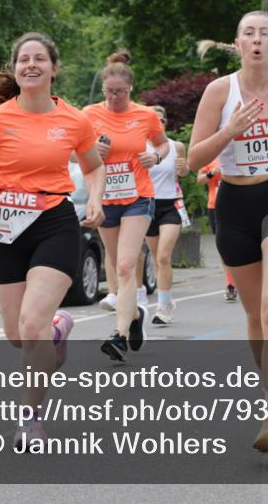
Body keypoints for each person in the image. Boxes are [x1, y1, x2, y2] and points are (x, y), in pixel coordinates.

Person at [0, 32, 105, 449]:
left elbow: (94, 168)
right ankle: (57, 331)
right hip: (6, 225)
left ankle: (29, 419)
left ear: (53, 69)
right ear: (16, 68)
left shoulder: (74, 120)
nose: (31, 65)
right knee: (17, 336)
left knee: (31, 323)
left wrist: (95, 199)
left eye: (39, 58)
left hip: (54, 221)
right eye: (24, 59)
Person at [189, 11, 268, 455]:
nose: (258, 40)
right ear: (238, 43)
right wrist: (231, 131)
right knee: (254, 316)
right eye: (250, 33)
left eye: (265, 33)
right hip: (235, 206)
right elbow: (193, 159)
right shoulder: (219, 91)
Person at [82, 51, 170, 363]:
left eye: (121, 92)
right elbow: (75, 155)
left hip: (138, 197)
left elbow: (163, 143)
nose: (115, 97)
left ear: (130, 88)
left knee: (125, 266)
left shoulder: (145, 115)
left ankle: (118, 336)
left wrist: (155, 157)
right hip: (106, 198)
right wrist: (94, 152)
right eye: (109, 92)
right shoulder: (89, 114)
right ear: (103, 89)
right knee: (117, 263)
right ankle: (134, 316)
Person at [145, 105, 189, 325]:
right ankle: (167, 299)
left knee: (163, 256)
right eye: (153, 120)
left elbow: (185, 171)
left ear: (165, 123)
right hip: (146, 206)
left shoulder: (175, 146)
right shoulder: (139, 147)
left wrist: (183, 168)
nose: (157, 124)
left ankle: (162, 308)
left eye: (161, 120)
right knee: (155, 259)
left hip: (169, 205)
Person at [197, 159, 237, 301]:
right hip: (215, 206)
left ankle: (239, 278)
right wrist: (212, 173)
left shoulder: (238, 151)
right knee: (223, 246)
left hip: (238, 205)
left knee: (238, 244)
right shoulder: (211, 156)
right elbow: (200, 180)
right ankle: (230, 282)